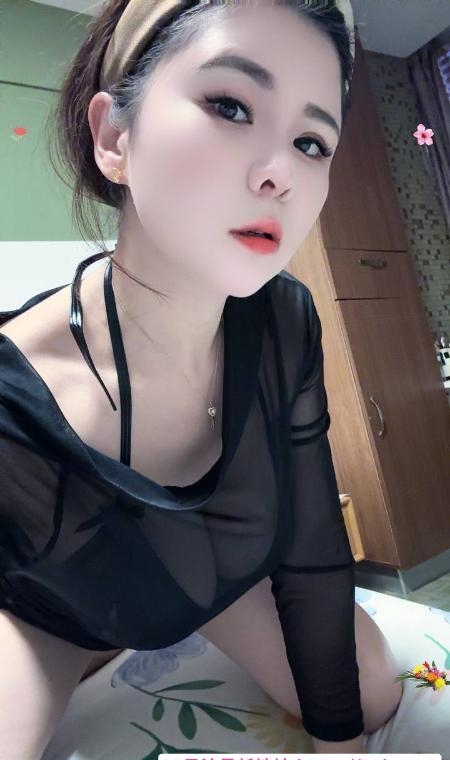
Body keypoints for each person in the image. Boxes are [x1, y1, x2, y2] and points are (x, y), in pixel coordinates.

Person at [0, 0, 403, 756]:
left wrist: (340, 748)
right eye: (230, 105)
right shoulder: (14, 393)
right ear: (115, 137)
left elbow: (311, 548)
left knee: (371, 691)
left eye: (312, 142)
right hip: (57, 602)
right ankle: (94, 646)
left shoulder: (284, 318)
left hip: (206, 578)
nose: (280, 173)